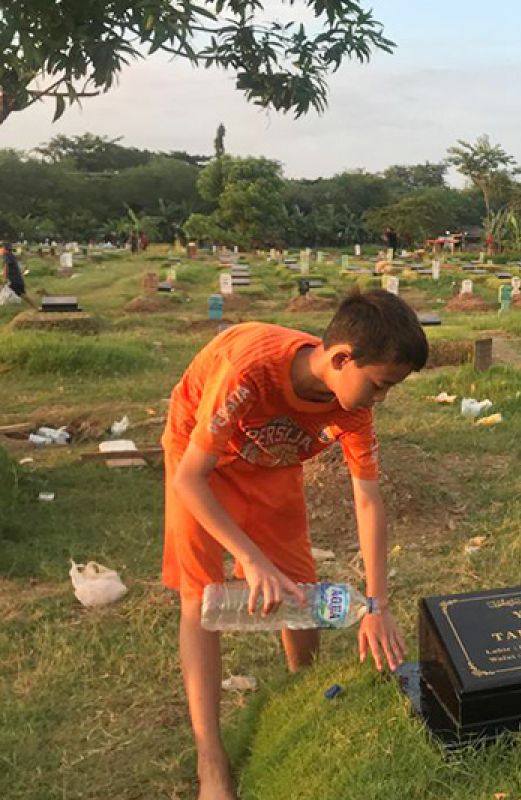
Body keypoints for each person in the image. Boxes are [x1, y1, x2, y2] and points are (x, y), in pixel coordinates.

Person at [162, 290, 427, 799]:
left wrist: (376, 603)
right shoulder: (249, 370)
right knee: (200, 598)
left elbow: (368, 501)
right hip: (199, 459)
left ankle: (299, 692)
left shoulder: (355, 412)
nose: (381, 398)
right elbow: (190, 479)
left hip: (272, 462)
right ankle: (210, 759)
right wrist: (248, 557)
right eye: (379, 385)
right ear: (341, 357)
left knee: (300, 592)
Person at [1, 243, 37, 309]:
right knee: (23, 295)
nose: (1, 250)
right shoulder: (11, 255)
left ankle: (36, 307)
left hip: (13, 280)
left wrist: (5, 278)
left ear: (4, 249)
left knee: (22, 295)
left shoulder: (6, 255)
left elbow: (6, 267)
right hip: (17, 279)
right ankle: (36, 306)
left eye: (2, 248)